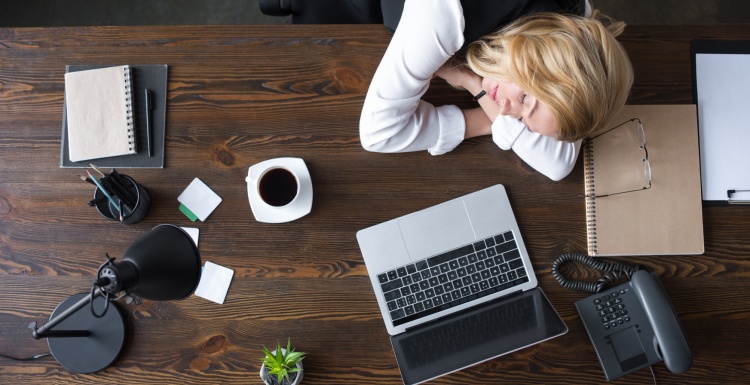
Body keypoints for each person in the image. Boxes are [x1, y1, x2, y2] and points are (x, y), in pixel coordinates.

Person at [359, 0, 634, 181]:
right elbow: (378, 134)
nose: (501, 110)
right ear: (542, 56)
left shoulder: (572, 27)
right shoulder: (443, 15)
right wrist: (482, 115)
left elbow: (557, 162)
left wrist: (473, 84)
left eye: (520, 120)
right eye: (525, 99)